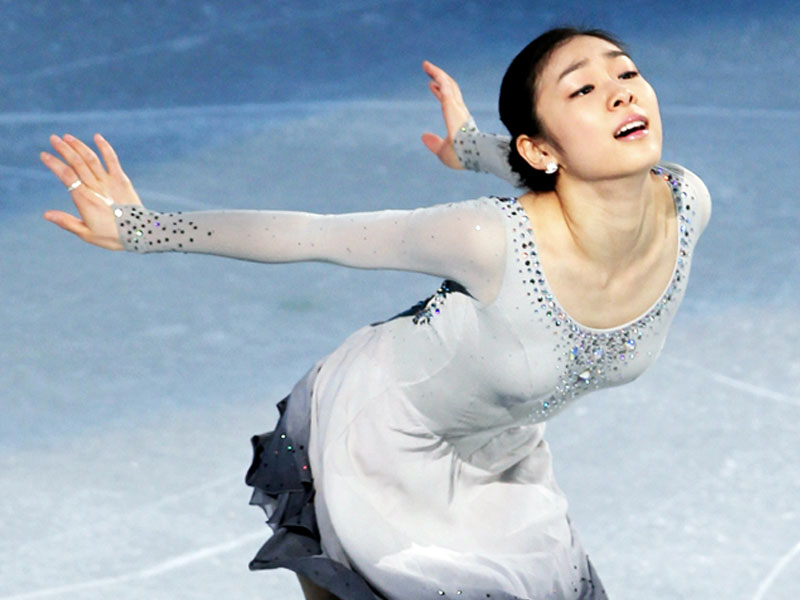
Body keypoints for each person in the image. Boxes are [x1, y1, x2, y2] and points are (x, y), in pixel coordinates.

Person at [40, 27, 710, 600]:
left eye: (626, 73)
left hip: (499, 454)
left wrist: (470, 147)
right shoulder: (490, 239)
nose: (621, 92)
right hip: (380, 438)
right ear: (539, 148)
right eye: (583, 89)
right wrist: (142, 228)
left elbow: (575, 186)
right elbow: (312, 235)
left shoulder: (686, 203)